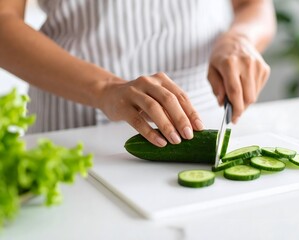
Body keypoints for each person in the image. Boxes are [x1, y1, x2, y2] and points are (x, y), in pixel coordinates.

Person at [0, 0, 276, 147]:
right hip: (76, 117)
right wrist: (104, 88)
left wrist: (241, 38)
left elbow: (254, 5)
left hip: (205, 112)